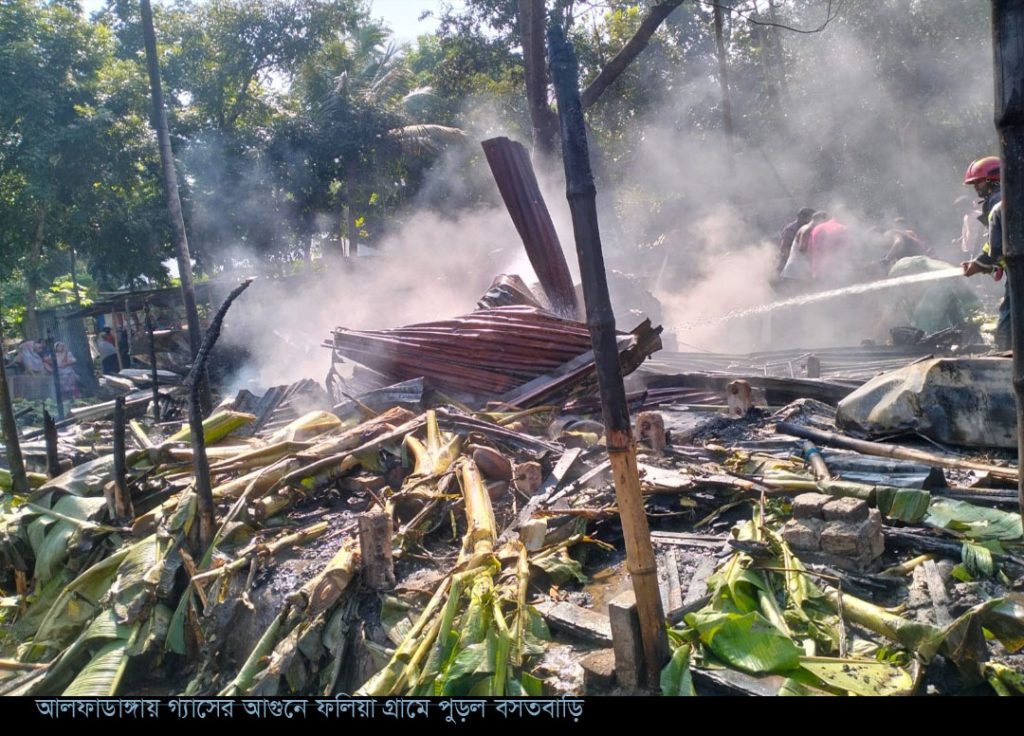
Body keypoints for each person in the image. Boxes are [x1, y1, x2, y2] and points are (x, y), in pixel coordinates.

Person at [960, 156, 1008, 348]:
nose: (976, 188)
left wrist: (980, 264)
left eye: (978, 182)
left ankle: (1008, 354)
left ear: (992, 179)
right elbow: (996, 241)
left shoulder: (997, 201)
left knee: (1009, 317)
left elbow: (997, 244)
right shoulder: (1004, 197)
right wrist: (982, 263)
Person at [780, 210, 828, 289]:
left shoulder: (809, 229)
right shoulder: (807, 229)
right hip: (796, 273)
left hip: (799, 272)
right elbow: (802, 249)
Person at [777, 207, 815, 276]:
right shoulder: (791, 229)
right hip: (789, 264)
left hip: (801, 266)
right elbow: (784, 248)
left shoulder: (807, 228)